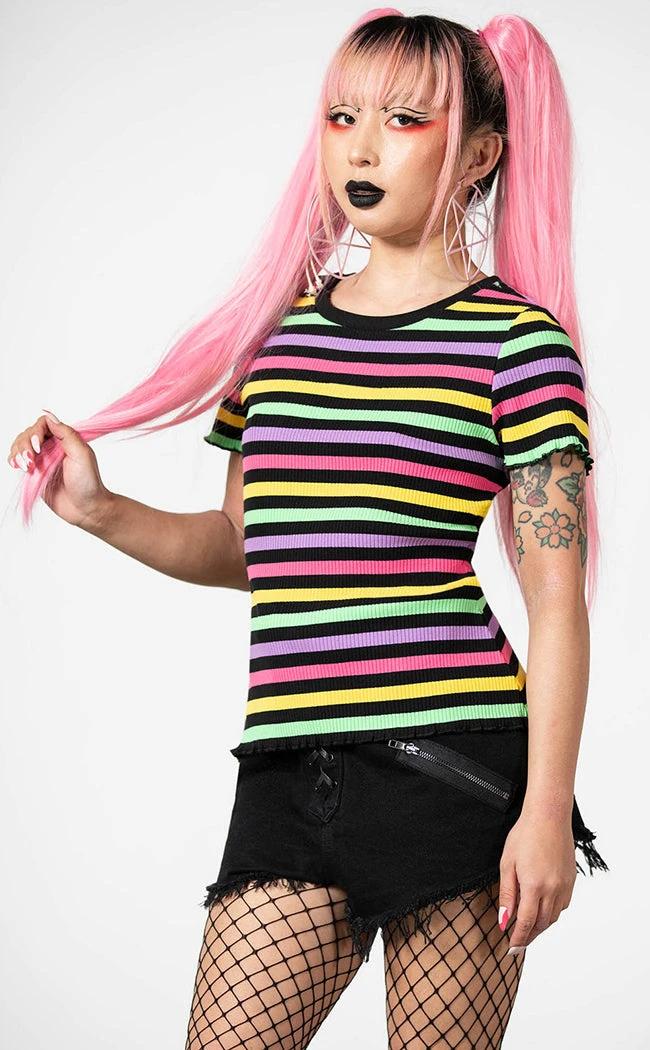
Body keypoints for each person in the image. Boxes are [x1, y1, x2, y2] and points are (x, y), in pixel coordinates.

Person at [7, 9, 609, 1048]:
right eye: (341, 116)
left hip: (451, 765)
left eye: (403, 121)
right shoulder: (278, 344)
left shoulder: (518, 343)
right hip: (286, 769)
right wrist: (100, 511)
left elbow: (556, 602)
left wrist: (546, 808)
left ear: (478, 156)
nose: (361, 148)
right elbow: (251, 550)